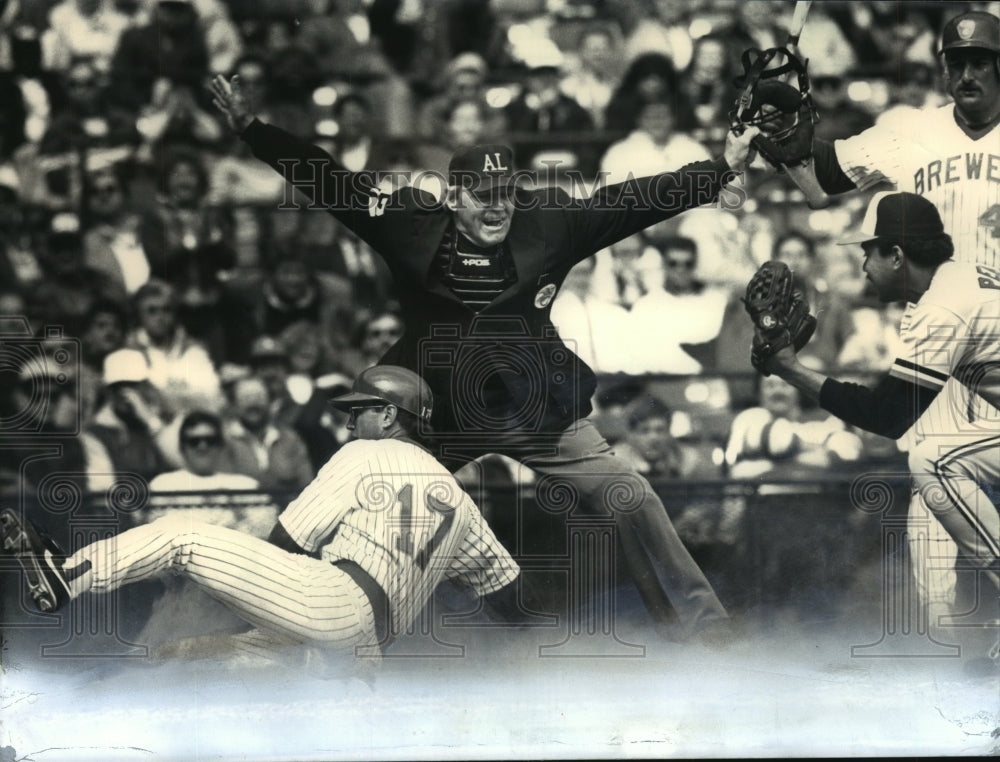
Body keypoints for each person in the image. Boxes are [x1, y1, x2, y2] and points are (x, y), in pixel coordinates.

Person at [209, 71, 759, 641]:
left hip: (531, 408)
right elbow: (331, 184)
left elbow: (633, 202)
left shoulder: (548, 223)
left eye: (505, 194)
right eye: (482, 196)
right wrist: (254, 130)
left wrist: (721, 170)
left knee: (630, 494)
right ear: (453, 197)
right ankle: (283, 623)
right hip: (439, 416)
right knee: (360, 494)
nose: (497, 209)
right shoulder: (408, 225)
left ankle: (700, 627)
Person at [1, 366, 524, 664]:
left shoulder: (367, 452)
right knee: (197, 656)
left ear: (389, 416)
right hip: (367, 649)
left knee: (182, 535)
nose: (347, 422)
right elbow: (507, 596)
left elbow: (286, 542)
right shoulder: (460, 499)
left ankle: (65, 576)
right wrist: (530, 654)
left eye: (358, 410)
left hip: (331, 603)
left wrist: (230, 587)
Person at [808, 9, 1000, 632]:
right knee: (932, 490)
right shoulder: (909, 130)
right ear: (942, 68)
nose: (968, 72)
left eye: (982, 61)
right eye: (957, 61)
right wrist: (783, 126)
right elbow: (817, 182)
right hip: (939, 340)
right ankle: (953, 648)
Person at [755, 191, 1000, 649]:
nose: (863, 264)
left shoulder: (941, 307)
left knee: (934, 458)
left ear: (896, 254)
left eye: (868, 251)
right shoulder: (958, 280)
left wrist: (790, 368)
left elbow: (889, 417)